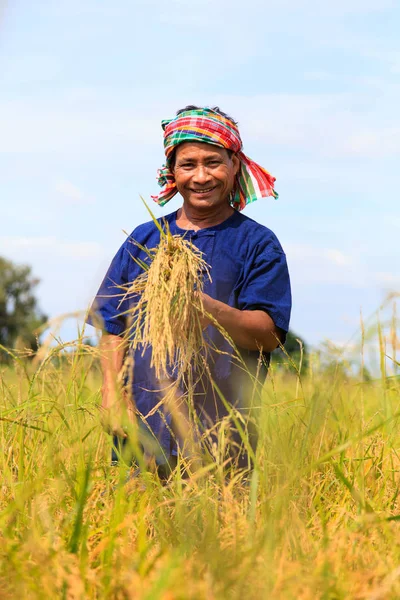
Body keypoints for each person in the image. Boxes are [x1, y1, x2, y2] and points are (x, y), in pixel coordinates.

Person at [87, 106, 291, 476]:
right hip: (144, 431)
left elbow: (269, 335)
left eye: (213, 162)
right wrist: (111, 393)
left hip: (223, 434)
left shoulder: (258, 244)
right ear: (172, 171)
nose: (201, 176)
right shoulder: (145, 239)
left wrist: (209, 308)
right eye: (188, 164)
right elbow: (111, 324)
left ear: (234, 165)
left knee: (220, 531)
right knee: (135, 529)